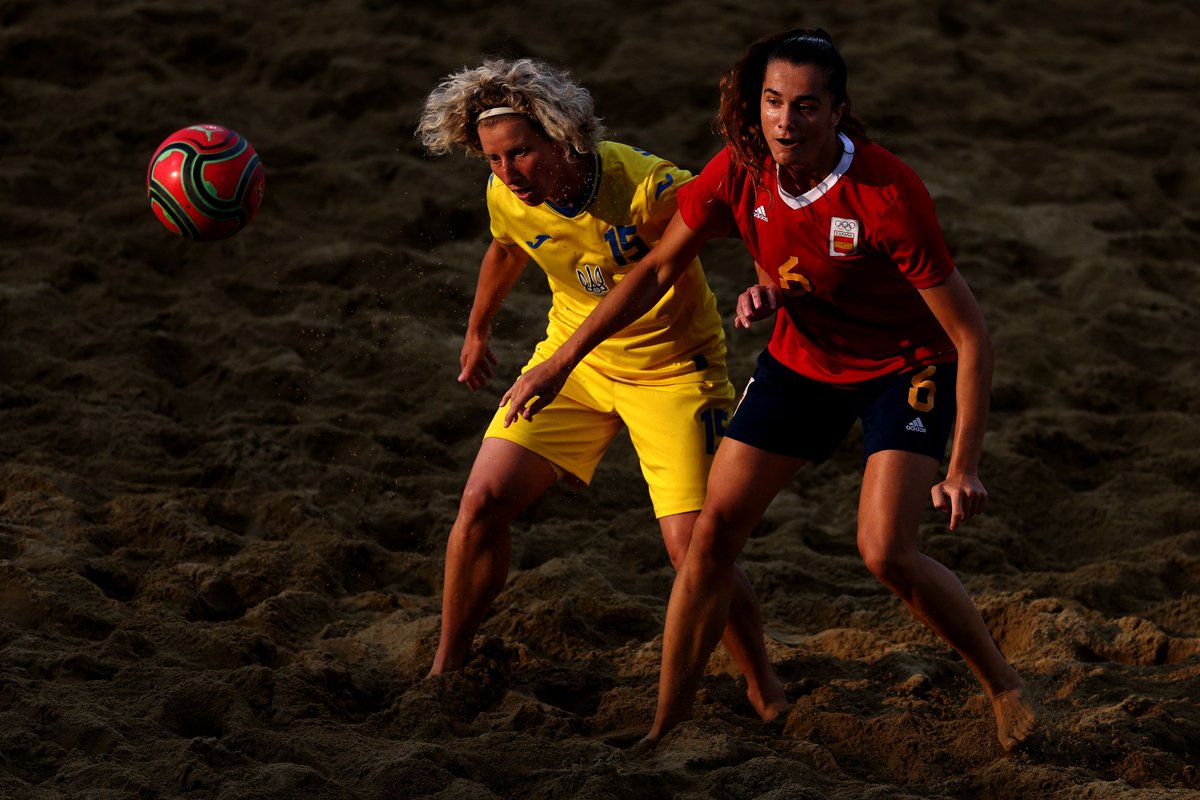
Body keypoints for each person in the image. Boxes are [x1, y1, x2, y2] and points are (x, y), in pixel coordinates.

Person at [498, 30, 1037, 752]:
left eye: (807, 107)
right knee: (709, 539)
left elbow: (971, 336)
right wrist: (563, 360)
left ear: (838, 112)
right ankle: (665, 725)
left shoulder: (886, 194)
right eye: (774, 103)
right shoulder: (740, 170)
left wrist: (963, 465)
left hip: (903, 368)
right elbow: (658, 267)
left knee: (884, 553)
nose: (786, 122)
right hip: (803, 360)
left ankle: (1003, 686)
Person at [414, 57, 787, 723]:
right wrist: (477, 331)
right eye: (493, 160)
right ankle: (448, 666)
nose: (506, 174)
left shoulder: (641, 184)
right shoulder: (508, 193)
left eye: (520, 154)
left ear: (564, 135)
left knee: (694, 550)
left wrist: (763, 279)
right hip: (574, 365)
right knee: (481, 500)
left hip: (675, 372)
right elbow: (506, 248)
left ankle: (765, 689)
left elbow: (745, 210)